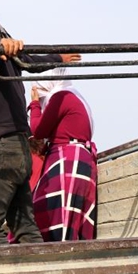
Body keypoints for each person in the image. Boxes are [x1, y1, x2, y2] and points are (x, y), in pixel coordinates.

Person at [0, 0, 81, 245]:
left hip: (1, 148)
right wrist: (58, 57)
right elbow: (32, 62)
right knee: (24, 227)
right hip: (20, 149)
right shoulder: (4, 52)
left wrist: (1, 44)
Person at [28, 68, 98, 241]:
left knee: (56, 217)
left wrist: (35, 105)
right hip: (74, 159)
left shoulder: (61, 97)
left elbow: (38, 130)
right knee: (65, 217)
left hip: (67, 161)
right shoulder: (74, 96)